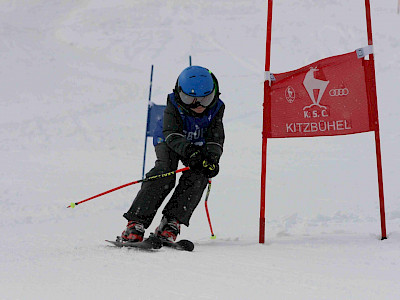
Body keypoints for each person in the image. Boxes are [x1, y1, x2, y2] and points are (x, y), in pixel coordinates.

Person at [121, 65, 225, 243]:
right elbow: (172, 134)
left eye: (205, 100)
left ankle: (171, 222)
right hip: (168, 140)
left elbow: (216, 136)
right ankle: (136, 222)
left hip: (196, 143)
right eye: (190, 99)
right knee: (165, 171)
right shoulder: (174, 104)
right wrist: (191, 153)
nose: (198, 106)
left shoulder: (217, 108)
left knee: (199, 175)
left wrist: (212, 158)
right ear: (180, 93)